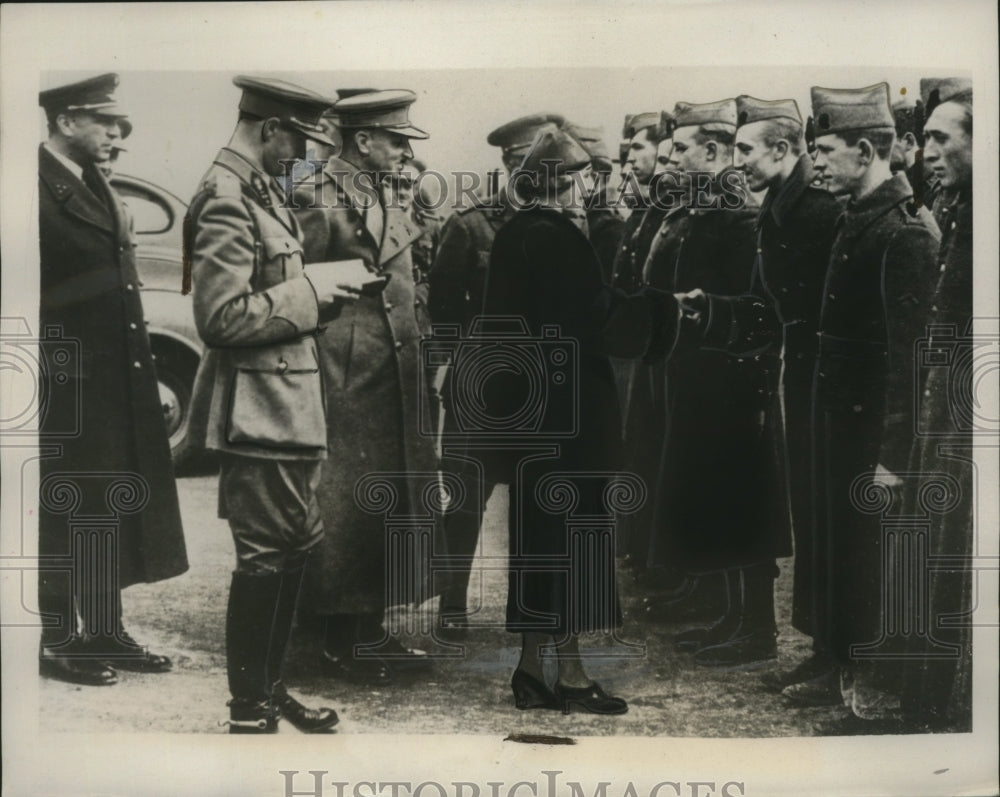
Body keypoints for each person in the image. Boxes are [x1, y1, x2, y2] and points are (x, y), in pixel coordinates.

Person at [186, 75, 372, 732]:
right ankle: (248, 708)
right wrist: (312, 293)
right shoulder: (226, 199)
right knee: (266, 555)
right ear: (270, 128)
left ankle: (270, 688)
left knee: (294, 546)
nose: (302, 157)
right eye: (298, 142)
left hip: (285, 408)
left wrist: (320, 292)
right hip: (257, 414)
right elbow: (221, 318)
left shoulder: (258, 191)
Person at [481, 123, 685, 714]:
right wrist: (666, 307)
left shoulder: (515, 235)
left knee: (539, 543)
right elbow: (595, 317)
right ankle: (568, 676)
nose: (591, 187)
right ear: (565, 182)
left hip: (533, 420)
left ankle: (532, 669)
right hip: (572, 420)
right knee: (574, 544)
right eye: (584, 177)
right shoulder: (559, 239)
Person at [37, 73, 188, 687]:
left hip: (111, 378)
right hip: (62, 382)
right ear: (67, 121)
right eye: (104, 122)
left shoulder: (92, 182)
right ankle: (57, 639)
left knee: (107, 505)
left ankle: (104, 631)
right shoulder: (29, 187)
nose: (115, 133)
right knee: (63, 509)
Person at [797, 83, 939, 717]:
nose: (817, 164)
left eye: (825, 152)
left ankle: (869, 680)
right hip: (837, 413)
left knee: (868, 550)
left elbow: (909, 355)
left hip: (870, 423)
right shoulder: (858, 216)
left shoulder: (905, 232)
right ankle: (836, 659)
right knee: (836, 541)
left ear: (863, 150)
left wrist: (891, 452)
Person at [692, 95, 842, 684]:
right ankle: (820, 651)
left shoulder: (818, 211)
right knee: (808, 517)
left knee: (823, 520)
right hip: (788, 379)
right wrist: (705, 312)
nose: (739, 162)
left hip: (814, 383)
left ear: (782, 150)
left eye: (746, 150)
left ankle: (831, 653)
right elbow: (763, 305)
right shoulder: (779, 204)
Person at [290, 89, 439, 685]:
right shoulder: (314, 195)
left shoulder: (385, 191)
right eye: (398, 141)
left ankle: (370, 626)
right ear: (363, 140)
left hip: (393, 369)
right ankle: (336, 638)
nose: (406, 153)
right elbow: (298, 287)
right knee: (345, 505)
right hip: (344, 371)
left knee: (387, 501)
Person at [643, 98, 790, 667]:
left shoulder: (735, 214)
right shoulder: (703, 207)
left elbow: (757, 305)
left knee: (744, 505)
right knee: (718, 501)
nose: (672, 159)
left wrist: (705, 315)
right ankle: (735, 617)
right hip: (699, 378)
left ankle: (758, 628)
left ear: (712, 151)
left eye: (680, 149)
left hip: (731, 382)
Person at [426, 112, 565, 638]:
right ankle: (453, 603)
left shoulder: (566, 224)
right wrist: (448, 371)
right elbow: (442, 308)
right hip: (480, 391)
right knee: (464, 500)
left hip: (543, 389)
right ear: (512, 165)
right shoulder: (470, 225)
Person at [896, 78, 973, 732]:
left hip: (969, 421)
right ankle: (921, 702)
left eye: (945, 139)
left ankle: (934, 711)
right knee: (932, 552)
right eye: (928, 139)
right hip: (941, 409)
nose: (928, 153)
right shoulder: (956, 209)